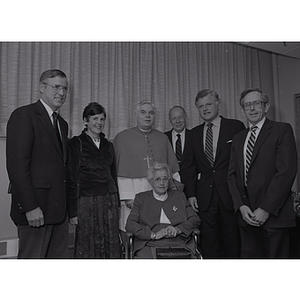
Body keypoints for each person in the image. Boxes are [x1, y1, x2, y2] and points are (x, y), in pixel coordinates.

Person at [6, 69, 70, 258]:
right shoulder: (24, 115)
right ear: (42, 87)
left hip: (59, 213)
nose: (61, 93)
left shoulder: (62, 124)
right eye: (56, 87)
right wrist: (30, 207)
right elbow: (17, 167)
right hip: (35, 212)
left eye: (65, 88)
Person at [228, 88, 297, 258]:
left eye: (256, 103)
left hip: (274, 216)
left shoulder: (282, 130)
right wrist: (241, 207)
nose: (251, 108)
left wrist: (266, 208)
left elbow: (286, 172)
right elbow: (232, 176)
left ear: (266, 107)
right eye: (247, 105)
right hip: (247, 218)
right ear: (243, 110)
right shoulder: (238, 138)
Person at [185, 89, 245, 258]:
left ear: (218, 104)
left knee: (232, 240)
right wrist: (190, 194)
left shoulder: (235, 126)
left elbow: (242, 161)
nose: (205, 109)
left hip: (230, 194)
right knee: (209, 243)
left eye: (209, 104)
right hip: (205, 197)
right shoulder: (194, 134)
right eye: (201, 106)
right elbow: (189, 167)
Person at [113, 100, 180, 243]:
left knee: (159, 229)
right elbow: (120, 170)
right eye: (143, 112)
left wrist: (174, 194)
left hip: (160, 193)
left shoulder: (162, 138)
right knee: (134, 232)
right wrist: (127, 197)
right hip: (133, 194)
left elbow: (172, 170)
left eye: (151, 113)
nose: (147, 116)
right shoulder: (122, 138)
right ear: (136, 115)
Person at [68, 102, 120, 258]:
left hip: (109, 201)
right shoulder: (76, 143)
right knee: (87, 244)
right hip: (87, 203)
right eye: (95, 118)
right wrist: (72, 212)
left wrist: (116, 203)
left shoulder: (108, 145)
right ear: (85, 120)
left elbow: (113, 175)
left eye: (102, 119)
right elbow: (72, 177)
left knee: (110, 242)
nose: (99, 123)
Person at [126, 162, 200, 258]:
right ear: (150, 181)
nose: (162, 183)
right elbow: (130, 224)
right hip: (149, 243)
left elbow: (195, 219)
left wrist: (178, 229)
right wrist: (153, 235)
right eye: (157, 179)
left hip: (178, 242)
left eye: (165, 179)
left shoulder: (179, 196)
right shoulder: (141, 198)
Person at [165, 106, 191, 194]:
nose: (177, 121)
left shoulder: (194, 136)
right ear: (169, 120)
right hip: (169, 187)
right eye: (174, 118)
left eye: (180, 117)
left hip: (192, 188)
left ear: (185, 117)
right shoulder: (163, 138)